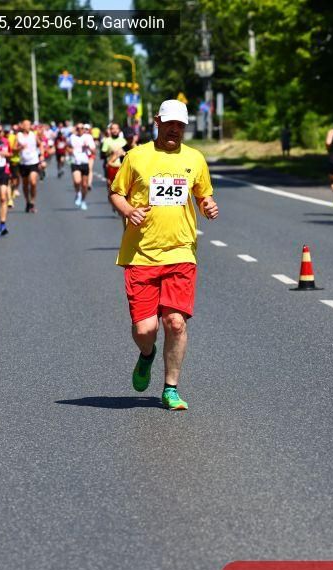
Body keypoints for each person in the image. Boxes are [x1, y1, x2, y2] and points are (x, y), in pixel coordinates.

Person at [108, 99, 219, 411]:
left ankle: (171, 388)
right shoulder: (137, 157)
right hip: (141, 254)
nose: (174, 129)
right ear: (157, 121)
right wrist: (128, 210)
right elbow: (116, 193)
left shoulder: (195, 158)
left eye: (180, 125)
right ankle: (147, 355)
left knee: (175, 323)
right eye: (169, 123)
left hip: (181, 251)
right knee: (146, 330)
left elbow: (203, 195)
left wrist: (208, 206)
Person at [16, 119, 42, 213]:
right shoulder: (18, 135)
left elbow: (40, 144)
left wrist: (41, 155)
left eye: (29, 124)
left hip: (33, 161)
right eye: (25, 124)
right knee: (25, 184)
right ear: (22, 126)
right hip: (23, 162)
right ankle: (27, 201)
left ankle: (33, 202)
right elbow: (14, 148)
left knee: (33, 182)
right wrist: (20, 147)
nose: (27, 126)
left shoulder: (33, 134)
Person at [101, 122, 128, 215]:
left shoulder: (123, 141)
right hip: (110, 166)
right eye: (113, 128)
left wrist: (122, 154)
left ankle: (120, 204)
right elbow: (102, 155)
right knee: (111, 187)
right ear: (110, 130)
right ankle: (114, 203)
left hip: (121, 167)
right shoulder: (107, 141)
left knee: (122, 188)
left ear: (119, 130)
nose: (115, 130)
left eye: (117, 128)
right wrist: (111, 153)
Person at [69, 122, 95, 210]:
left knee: (84, 184)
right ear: (76, 129)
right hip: (75, 162)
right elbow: (67, 147)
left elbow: (94, 151)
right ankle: (78, 193)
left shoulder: (88, 137)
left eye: (81, 128)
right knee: (77, 181)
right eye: (78, 128)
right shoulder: (72, 137)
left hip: (85, 162)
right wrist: (70, 151)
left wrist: (88, 146)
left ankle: (83, 200)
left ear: (84, 129)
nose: (80, 130)